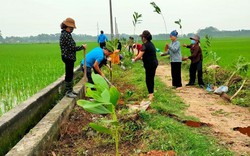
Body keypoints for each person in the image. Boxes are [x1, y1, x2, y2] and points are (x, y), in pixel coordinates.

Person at [60, 17, 87, 98]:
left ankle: (70, 90)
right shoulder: (66, 35)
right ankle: (68, 91)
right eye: (71, 28)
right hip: (68, 57)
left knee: (70, 73)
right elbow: (72, 48)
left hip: (68, 57)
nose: (72, 29)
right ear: (66, 27)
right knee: (69, 74)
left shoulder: (66, 34)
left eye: (72, 28)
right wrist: (82, 47)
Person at [132, 30, 158, 101]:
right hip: (153, 63)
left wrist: (134, 59)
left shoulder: (145, 45)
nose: (141, 38)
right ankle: (150, 93)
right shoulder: (151, 44)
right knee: (150, 78)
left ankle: (151, 94)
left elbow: (139, 56)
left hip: (150, 64)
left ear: (144, 38)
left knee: (149, 79)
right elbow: (147, 55)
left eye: (142, 37)